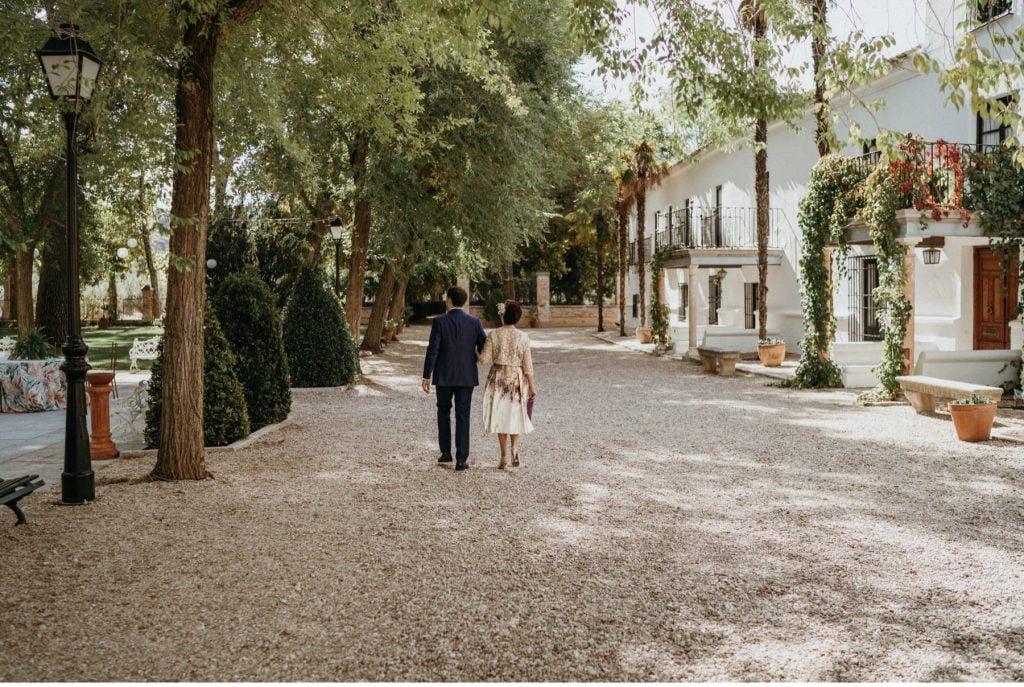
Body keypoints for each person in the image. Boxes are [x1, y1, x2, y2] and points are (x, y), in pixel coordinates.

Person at [421, 285, 487, 471]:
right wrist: (476, 355)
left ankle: (446, 452)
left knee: (443, 412)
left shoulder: (439, 322)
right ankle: (461, 459)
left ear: (449, 300)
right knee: (463, 415)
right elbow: (484, 343)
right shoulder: (474, 322)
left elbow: (432, 350)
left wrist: (427, 375)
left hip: (444, 376)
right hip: (466, 376)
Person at [478, 300, 535, 469]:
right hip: (516, 379)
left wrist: (475, 352)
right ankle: (515, 449)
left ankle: (503, 456)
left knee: (501, 415)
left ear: (502, 315)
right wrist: (532, 387)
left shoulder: (494, 334)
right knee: (516, 414)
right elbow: (528, 365)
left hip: (499, 379)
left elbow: (483, 360)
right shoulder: (523, 337)